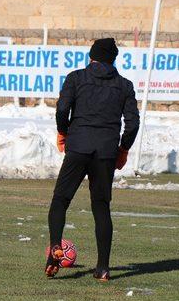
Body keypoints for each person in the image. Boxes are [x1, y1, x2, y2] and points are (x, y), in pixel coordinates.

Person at [46, 38, 140, 282]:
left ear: (91, 56)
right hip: (106, 152)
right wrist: (123, 148)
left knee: (61, 199)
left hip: (78, 146)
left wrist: (64, 131)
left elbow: (62, 109)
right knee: (101, 207)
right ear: (113, 60)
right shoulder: (125, 85)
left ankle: (55, 246)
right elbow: (133, 124)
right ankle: (103, 268)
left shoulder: (76, 78)